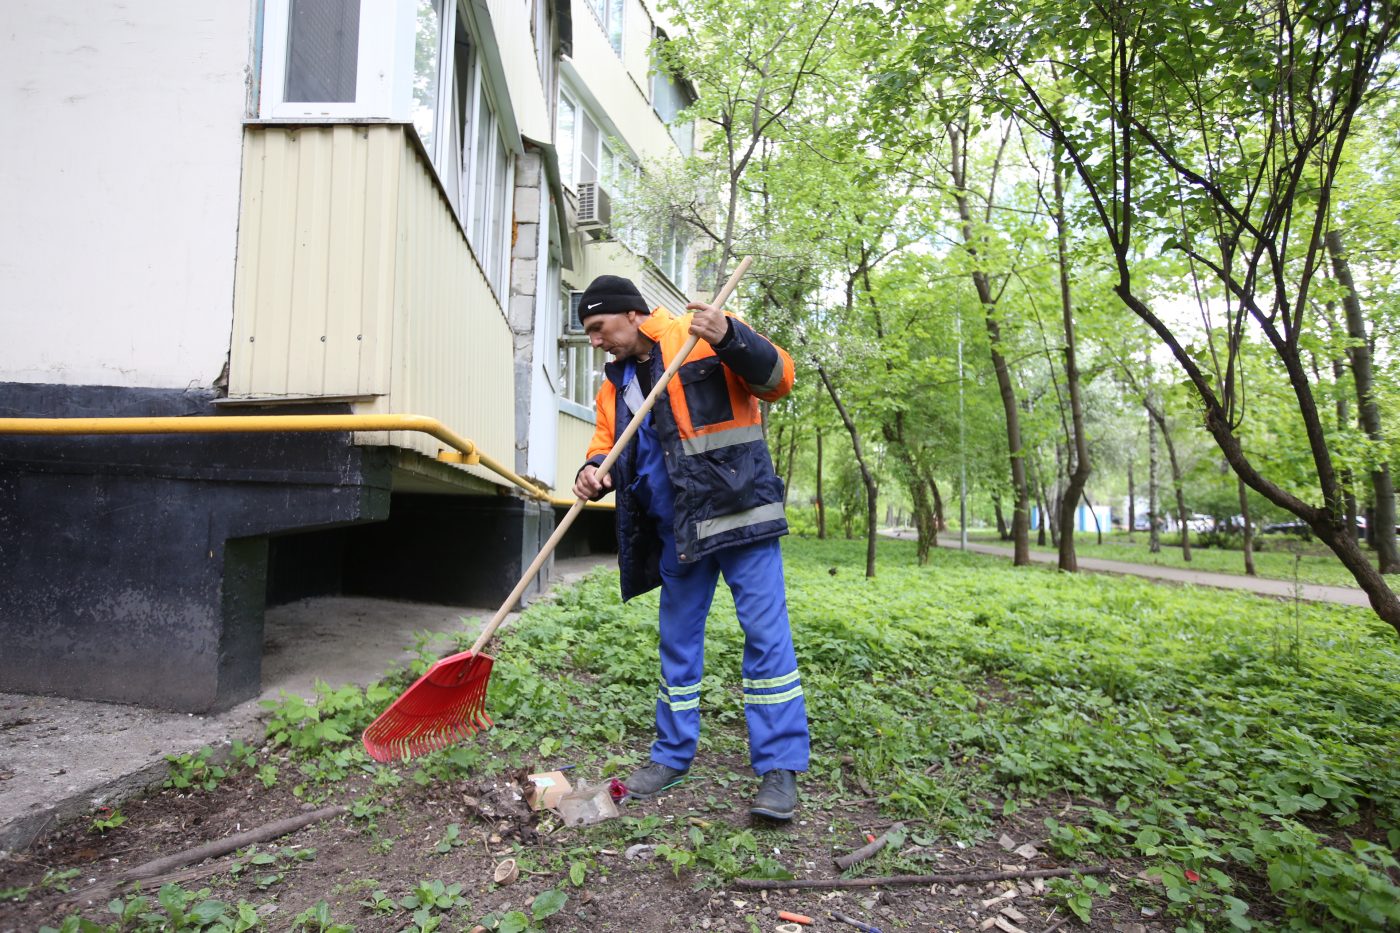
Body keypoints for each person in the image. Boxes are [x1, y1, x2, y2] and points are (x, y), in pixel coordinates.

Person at [571, 274, 809, 821]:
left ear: (631, 314)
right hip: (676, 532)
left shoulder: (698, 333)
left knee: (767, 642)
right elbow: (603, 447)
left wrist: (730, 336)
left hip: (741, 517)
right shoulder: (614, 385)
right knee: (677, 646)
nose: (595, 340)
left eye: (598, 327)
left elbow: (779, 380)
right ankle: (671, 755)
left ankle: (779, 769)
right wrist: (589, 472)